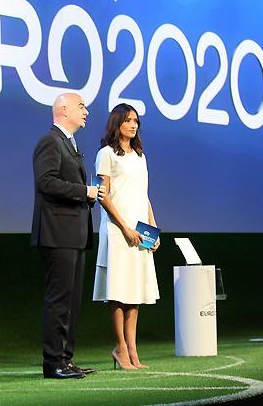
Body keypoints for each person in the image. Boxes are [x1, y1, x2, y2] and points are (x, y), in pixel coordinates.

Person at [31, 92, 105, 379]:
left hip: (74, 234)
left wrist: (88, 196)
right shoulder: (50, 141)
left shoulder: (69, 143)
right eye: (81, 106)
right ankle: (53, 362)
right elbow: (45, 182)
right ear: (63, 109)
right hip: (58, 233)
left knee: (72, 301)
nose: (86, 112)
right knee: (60, 299)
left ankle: (66, 358)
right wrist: (84, 192)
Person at [92, 103, 160, 370]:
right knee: (118, 291)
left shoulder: (140, 156)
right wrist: (125, 228)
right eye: (128, 120)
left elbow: (144, 196)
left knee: (135, 291)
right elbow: (103, 195)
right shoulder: (106, 154)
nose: (133, 125)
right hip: (117, 231)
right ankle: (120, 347)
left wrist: (153, 228)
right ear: (117, 123)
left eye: (136, 121)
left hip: (139, 231)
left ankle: (132, 350)